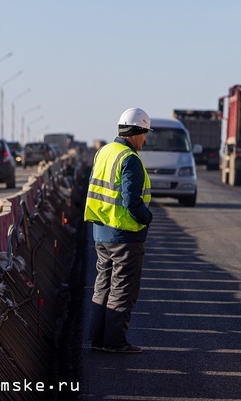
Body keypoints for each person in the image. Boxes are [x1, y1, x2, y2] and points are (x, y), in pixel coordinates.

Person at [84, 107, 154, 353]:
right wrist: (147, 218)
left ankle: (98, 339)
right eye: (145, 134)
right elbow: (131, 201)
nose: (145, 140)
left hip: (101, 233)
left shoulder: (104, 152)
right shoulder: (129, 159)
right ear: (136, 132)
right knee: (123, 288)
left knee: (103, 285)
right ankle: (114, 342)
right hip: (124, 235)